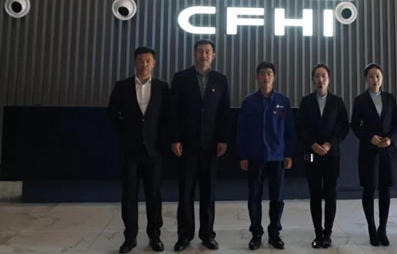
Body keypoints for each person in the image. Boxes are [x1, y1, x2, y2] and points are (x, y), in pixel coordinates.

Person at [170, 40, 231, 251]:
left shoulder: (221, 80)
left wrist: (223, 139)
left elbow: (224, 112)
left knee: (208, 193)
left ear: (213, 55)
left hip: (211, 146)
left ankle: (207, 235)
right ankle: (184, 236)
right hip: (186, 145)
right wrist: (175, 138)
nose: (203, 55)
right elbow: (173, 112)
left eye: (207, 52)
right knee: (185, 193)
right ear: (194, 54)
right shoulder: (181, 78)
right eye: (200, 51)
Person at [108, 46, 169, 253]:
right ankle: (130, 238)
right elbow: (111, 114)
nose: (144, 64)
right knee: (129, 196)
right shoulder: (122, 86)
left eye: (148, 61)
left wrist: (160, 139)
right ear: (135, 62)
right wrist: (125, 133)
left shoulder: (162, 87)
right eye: (141, 60)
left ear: (154, 63)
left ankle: (155, 236)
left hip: (154, 151)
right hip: (130, 151)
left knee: (154, 196)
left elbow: (167, 117)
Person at [236, 62, 296, 251]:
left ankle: (274, 233)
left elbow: (289, 130)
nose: (266, 77)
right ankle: (256, 234)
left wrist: (289, 154)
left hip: (277, 157)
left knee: (277, 199)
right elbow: (242, 130)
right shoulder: (249, 101)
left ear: (274, 77)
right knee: (254, 197)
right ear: (257, 77)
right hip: (255, 157)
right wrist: (243, 155)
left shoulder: (283, 101)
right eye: (262, 73)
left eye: (269, 73)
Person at [297, 64, 350, 249]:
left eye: (324, 76)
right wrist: (312, 144)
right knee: (314, 193)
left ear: (329, 79)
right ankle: (317, 233)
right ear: (313, 80)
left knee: (330, 193)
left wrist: (329, 144)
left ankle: (328, 233)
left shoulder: (337, 101)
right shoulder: (306, 101)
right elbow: (300, 128)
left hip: (331, 154)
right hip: (311, 154)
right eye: (317, 76)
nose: (320, 80)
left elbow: (344, 127)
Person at [350, 63, 397, 247]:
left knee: (385, 189)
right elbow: (355, 125)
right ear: (366, 79)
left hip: (387, 151)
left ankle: (382, 229)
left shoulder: (390, 98)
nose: (375, 80)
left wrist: (390, 139)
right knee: (369, 189)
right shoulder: (360, 100)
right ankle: (372, 228)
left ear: (382, 78)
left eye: (378, 76)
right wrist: (369, 137)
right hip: (368, 150)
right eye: (371, 76)